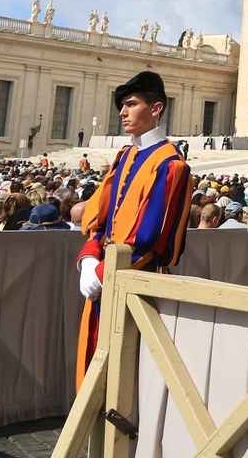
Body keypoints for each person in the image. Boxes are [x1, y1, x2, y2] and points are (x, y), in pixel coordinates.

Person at [75, 71, 194, 390]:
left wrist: (103, 271)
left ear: (156, 109)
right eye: (122, 106)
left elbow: (152, 238)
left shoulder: (171, 165)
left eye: (130, 104)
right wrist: (89, 258)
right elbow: (100, 217)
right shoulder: (124, 156)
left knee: (131, 378)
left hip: (139, 284)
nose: (122, 112)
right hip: (105, 278)